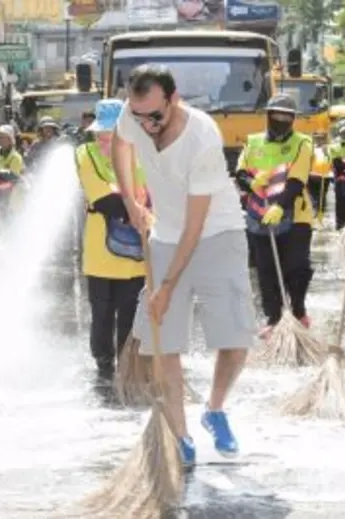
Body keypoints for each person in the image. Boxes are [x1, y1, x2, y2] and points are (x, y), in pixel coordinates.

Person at [112, 64, 254, 467]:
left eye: (155, 116)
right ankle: (181, 433)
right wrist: (130, 200)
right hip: (164, 235)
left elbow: (196, 223)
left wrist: (167, 286)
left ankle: (215, 409)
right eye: (139, 116)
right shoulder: (134, 114)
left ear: (174, 100)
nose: (147, 124)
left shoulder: (202, 137)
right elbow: (120, 145)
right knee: (164, 341)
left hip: (216, 234)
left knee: (235, 338)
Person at [76, 99, 147, 383]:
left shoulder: (141, 154)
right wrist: (137, 210)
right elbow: (103, 198)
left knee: (131, 313)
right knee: (102, 314)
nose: (106, 140)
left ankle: (128, 364)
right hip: (100, 252)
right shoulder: (85, 154)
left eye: (113, 134)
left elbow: (153, 192)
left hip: (136, 253)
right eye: (102, 135)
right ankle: (104, 368)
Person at [235, 94, 314, 339]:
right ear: (268, 116)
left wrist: (279, 206)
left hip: (295, 214)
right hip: (259, 216)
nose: (281, 120)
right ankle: (274, 317)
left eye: (286, 117)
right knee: (266, 268)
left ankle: (298, 311)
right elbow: (240, 173)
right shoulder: (253, 142)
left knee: (295, 266)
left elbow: (296, 181)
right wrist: (250, 182)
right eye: (276, 115)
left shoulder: (303, 143)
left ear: (293, 119)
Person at [0, 125, 24, 220]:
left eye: (3, 137)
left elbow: (13, 177)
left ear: (10, 139)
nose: (1, 140)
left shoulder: (16, 157)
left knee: (8, 219)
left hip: (10, 195)